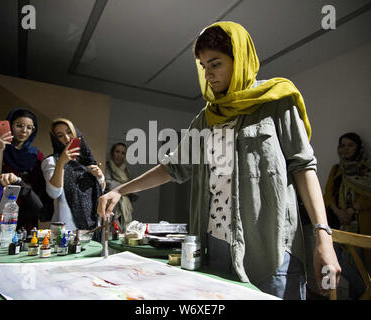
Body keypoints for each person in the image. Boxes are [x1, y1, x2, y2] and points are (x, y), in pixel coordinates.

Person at [97, 21, 341, 300]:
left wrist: (324, 235)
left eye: (215, 64)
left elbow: (303, 167)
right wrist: (119, 190)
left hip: (269, 246)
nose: (208, 74)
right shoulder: (206, 118)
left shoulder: (277, 101)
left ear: (239, 59)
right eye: (203, 67)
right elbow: (174, 168)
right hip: (215, 245)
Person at [323, 132, 371, 299]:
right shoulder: (337, 169)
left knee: (357, 266)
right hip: (337, 224)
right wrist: (338, 211)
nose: (346, 149)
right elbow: (328, 195)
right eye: (343, 145)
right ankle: (369, 293)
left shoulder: (369, 169)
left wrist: (351, 211)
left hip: (360, 225)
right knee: (337, 262)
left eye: (350, 145)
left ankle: (362, 294)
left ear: (359, 147)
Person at [0, 108, 48, 230]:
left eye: (29, 128)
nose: (24, 131)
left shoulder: (35, 155)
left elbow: (38, 189)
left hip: (23, 212)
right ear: (10, 124)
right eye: (19, 126)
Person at [41, 118, 105, 233]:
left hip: (92, 226)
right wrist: (61, 163)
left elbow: (100, 189)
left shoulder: (87, 159)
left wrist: (99, 176)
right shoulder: (51, 161)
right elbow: (53, 193)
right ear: (56, 139)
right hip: (66, 228)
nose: (66, 138)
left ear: (76, 133)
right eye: (60, 135)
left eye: (69, 132)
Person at [105, 143, 139, 232]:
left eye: (123, 153)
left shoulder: (126, 171)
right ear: (112, 152)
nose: (119, 155)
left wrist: (122, 188)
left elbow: (135, 190)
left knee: (123, 232)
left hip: (125, 208)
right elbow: (109, 185)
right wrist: (127, 188)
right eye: (117, 152)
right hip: (111, 207)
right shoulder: (107, 167)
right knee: (109, 233)